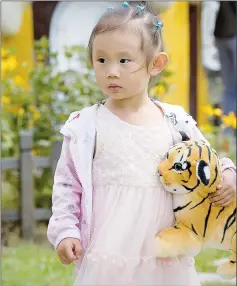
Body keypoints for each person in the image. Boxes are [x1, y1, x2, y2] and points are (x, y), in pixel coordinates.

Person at [47, 2, 236, 285]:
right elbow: (67, 185)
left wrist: (228, 174)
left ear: (155, 64)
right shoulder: (86, 126)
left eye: (124, 61)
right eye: (101, 60)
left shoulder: (175, 121)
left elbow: (205, 158)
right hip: (110, 252)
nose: (111, 71)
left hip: (163, 251)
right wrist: (66, 231)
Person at [214, 1, 236, 115]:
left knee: (229, 88)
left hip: (222, 33)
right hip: (229, 34)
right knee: (230, 88)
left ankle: (227, 128)